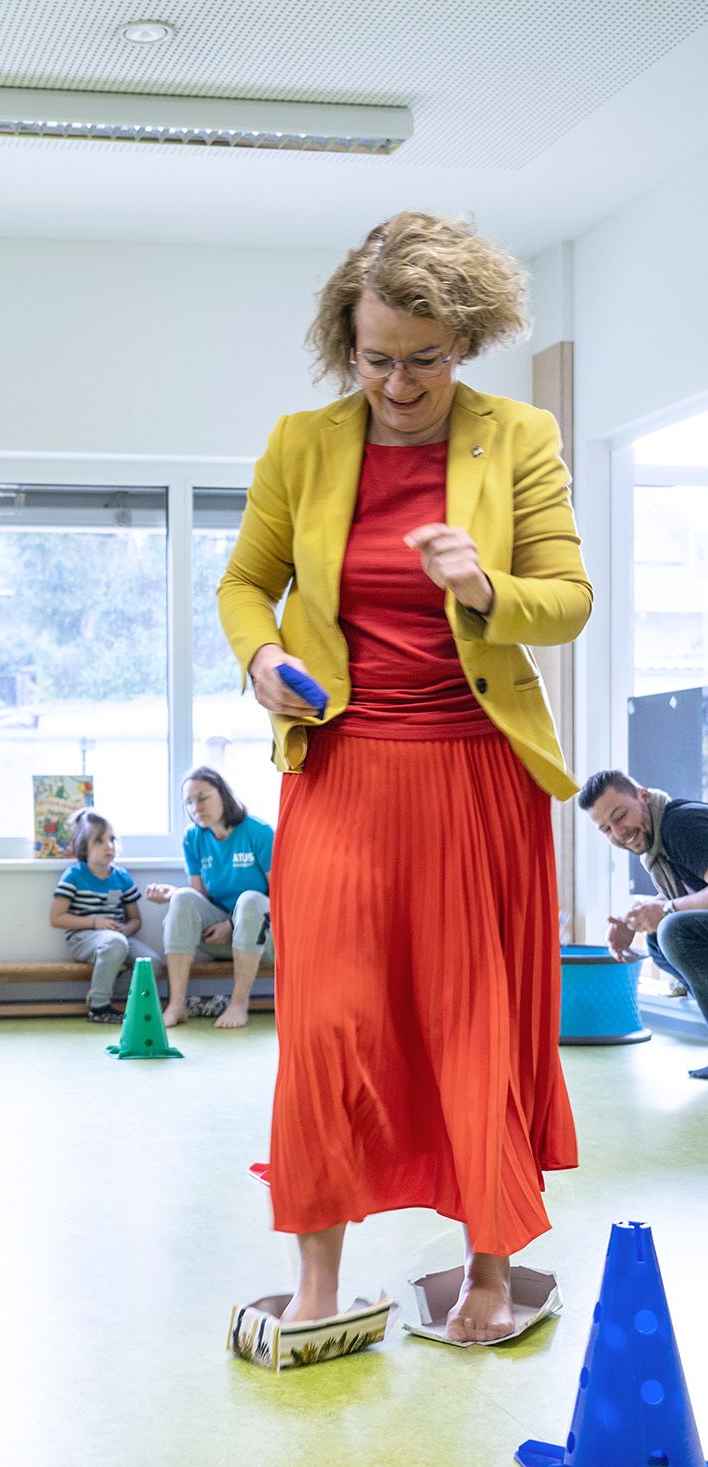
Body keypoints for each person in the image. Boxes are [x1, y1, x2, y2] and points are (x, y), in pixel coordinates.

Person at [220, 211, 590, 1342]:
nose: (397, 384)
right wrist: (261, 660)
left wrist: (481, 585)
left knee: (472, 1021)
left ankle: (487, 1272)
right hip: (339, 769)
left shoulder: (517, 437)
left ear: (464, 341)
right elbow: (244, 584)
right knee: (325, 1028)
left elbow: (565, 602)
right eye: (375, 358)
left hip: (475, 773)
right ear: (348, 343)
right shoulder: (302, 443)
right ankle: (317, 1281)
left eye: (423, 359)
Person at [577, 769, 708, 1076]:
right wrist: (632, 919)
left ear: (644, 797)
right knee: (657, 938)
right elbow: (691, 893)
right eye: (606, 829)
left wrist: (666, 910)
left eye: (620, 816)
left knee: (674, 930)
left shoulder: (680, 825)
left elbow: (676, 907)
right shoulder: (659, 842)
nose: (618, 832)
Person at [143, 767, 274, 1030]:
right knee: (183, 896)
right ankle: (176, 1005)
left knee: (250, 899)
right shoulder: (192, 838)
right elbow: (198, 895)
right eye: (189, 802)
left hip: (266, 939)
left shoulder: (259, 831)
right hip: (220, 939)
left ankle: (239, 1004)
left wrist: (231, 925)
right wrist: (172, 895)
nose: (196, 808)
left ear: (223, 794)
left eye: (203, 798)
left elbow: (281, 896)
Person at [49, 808, 159, 1023]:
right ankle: (99, 1008)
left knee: (151, 962)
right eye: (99, 841)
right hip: (83, 939)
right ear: (84, 848)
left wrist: (127, 928)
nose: (109, 846)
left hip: (118, 938)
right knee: (115, 943)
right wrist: (95, 922)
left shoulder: (121, 877)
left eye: (111, 839)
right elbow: (56, 918)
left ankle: (109, 993)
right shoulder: (74, 875)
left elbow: (135, 919)